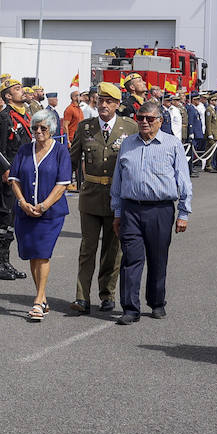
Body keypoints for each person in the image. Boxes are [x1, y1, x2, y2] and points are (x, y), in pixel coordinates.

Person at [110, 100, 191, 325]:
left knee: (157, 259)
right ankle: (130, 308)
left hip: (160, 210)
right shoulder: (128, 144)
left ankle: (156, 303)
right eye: (140, 118)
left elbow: (183, 181)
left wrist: (184, 213)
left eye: (149, 119)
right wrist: (117, 212)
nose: (144, 122)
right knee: (131, 260)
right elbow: (118, 180)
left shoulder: (172, 144)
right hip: (131, 209)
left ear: (160, 121)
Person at [69, 82, 136, 315]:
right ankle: (82, 297)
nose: (103, 105)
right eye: (100, 101)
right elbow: (72, 158)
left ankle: (107, 293)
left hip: (117, 198)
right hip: (90, 196)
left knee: (112, 249)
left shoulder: (130, 127)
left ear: (117, 104)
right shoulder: (85, 127)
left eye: (109, 101)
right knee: (87, 248)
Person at [7, 107, 72, 322]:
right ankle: (42, 297)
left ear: (52, 129)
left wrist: (43, 206)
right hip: (25, 211)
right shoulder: (25, 150)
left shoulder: (61, 151)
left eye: (43, 127)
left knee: (43, 253)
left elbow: (63, 184)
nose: (38, 131)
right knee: (32, 254)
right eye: (35, 127)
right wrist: (23, 202)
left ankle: (37, 301)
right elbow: (14, 178)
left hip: (50, 213)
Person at [0, 76, 33, 281]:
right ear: (8, 95)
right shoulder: (2, 117)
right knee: (3, 219)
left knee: (13, 220)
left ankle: (6, 262)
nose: (23, 91)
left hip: (23, 174)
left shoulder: (27, 115)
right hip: (9, 176)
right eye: (18, 88)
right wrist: (5, 169)